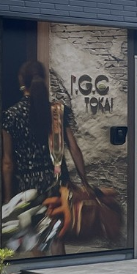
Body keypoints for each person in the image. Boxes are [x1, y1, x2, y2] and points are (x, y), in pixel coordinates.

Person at [2, 60, 90, 255]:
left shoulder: (10, 115)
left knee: (34, 236)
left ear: (21, 81)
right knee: (56, 235)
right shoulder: (57, 112)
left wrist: (8, 198)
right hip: (56, 182)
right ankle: (61, 271)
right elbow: (74, 149)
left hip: (28, 186)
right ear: (43, 79)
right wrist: (84, 182)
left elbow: (8, 162)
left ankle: (41, 271)